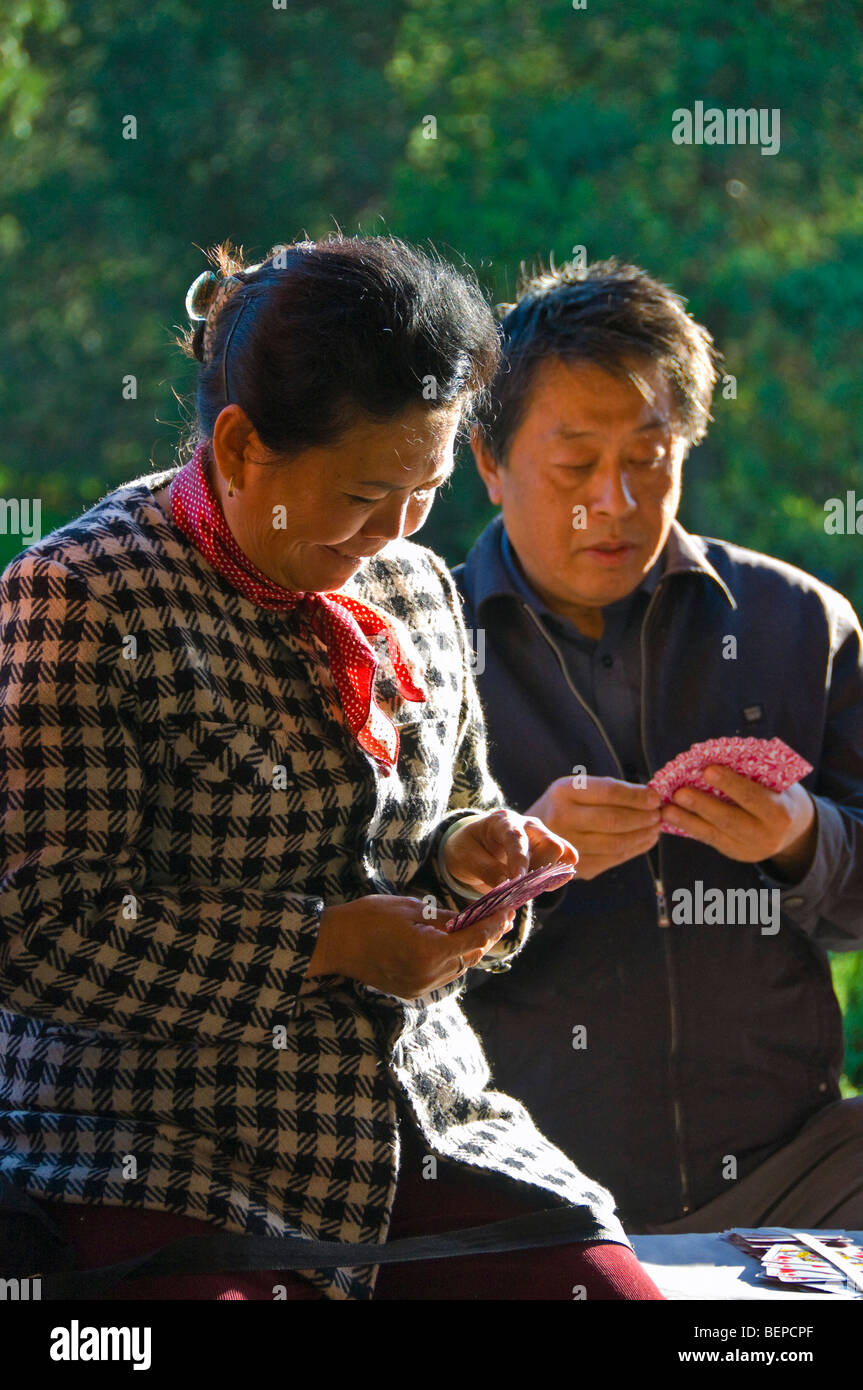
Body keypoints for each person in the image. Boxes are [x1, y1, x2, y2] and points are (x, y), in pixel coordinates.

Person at [0, 236, 664, 1300]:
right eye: (363, 496)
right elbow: (39, 932)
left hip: (422, 1120)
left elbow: (453, 808)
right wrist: (322, 946)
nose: (395, 532)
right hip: (159, 1138)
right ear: (240, 445)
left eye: (426, 490)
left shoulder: (410, 585)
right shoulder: (81, 598)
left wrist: (472, 856)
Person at [453, 256, 863, 1235]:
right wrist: (510, 865)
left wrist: (805, 837)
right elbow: (346, 944)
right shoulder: (408, 648)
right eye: (573, 464)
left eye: (648, 458)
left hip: (795, 1166)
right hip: (506, 1190)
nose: (615, 502)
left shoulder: (796, 626)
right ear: (488, 462)